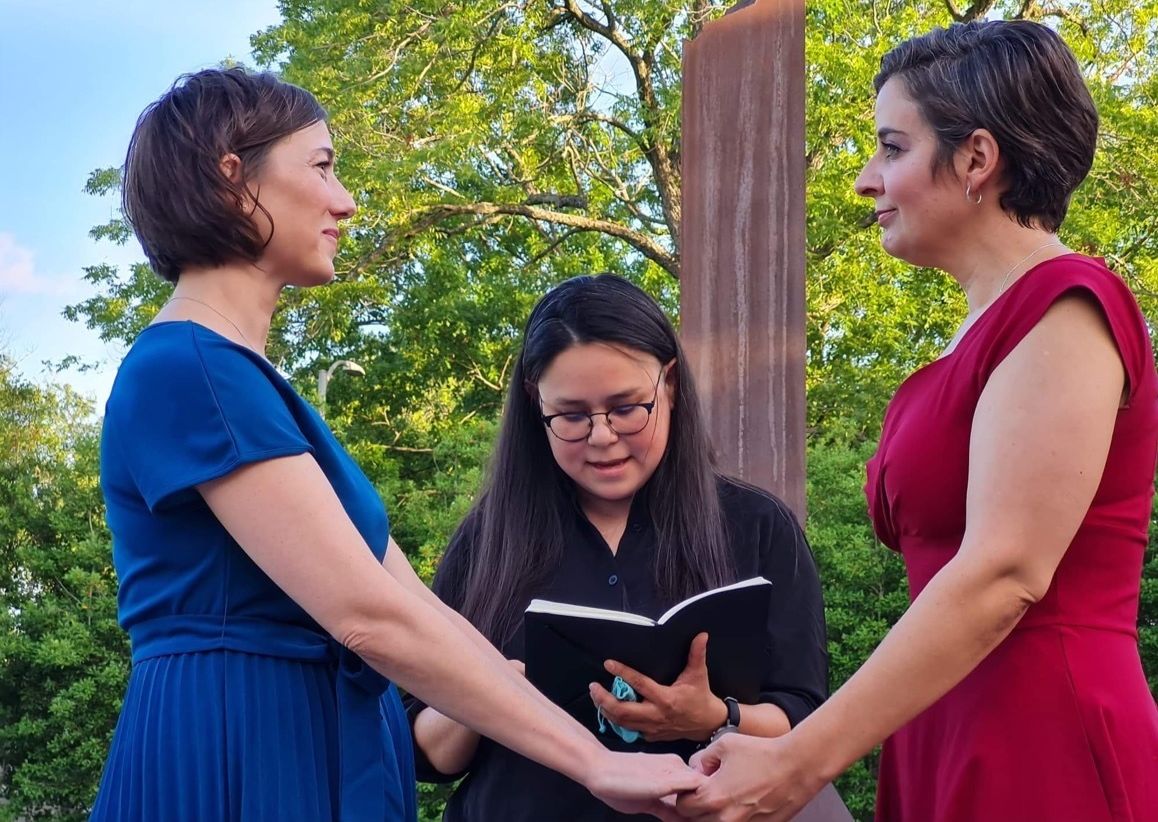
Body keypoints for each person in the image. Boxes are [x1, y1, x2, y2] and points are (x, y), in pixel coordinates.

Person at [89, 68, 705, 822]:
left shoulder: (238, 381)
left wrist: (593, 754)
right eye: (322, 166)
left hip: (298, 740)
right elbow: (367, 616)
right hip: (239, 746)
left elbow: (417, 611)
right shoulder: (192, 371)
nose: (345, 200)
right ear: (233, 181)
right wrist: (596, 763)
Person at [674, 19, 1158, 822]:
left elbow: (1005, 572)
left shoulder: (1065, 305)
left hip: (1042, 741)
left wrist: (798, 760)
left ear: (976, 159)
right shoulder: (973, 339)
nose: (864, 181)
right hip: (944, 725)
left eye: (891, 148)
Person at [405, 273, 828, 821]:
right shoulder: (488, 540)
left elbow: (805, 720)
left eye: (628, 407)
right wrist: (490, 691)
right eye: (572, 416)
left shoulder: (756, 525)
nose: (602, 437)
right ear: (536, 405)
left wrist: (714, 716)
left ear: (669, 384)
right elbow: (424, 750)